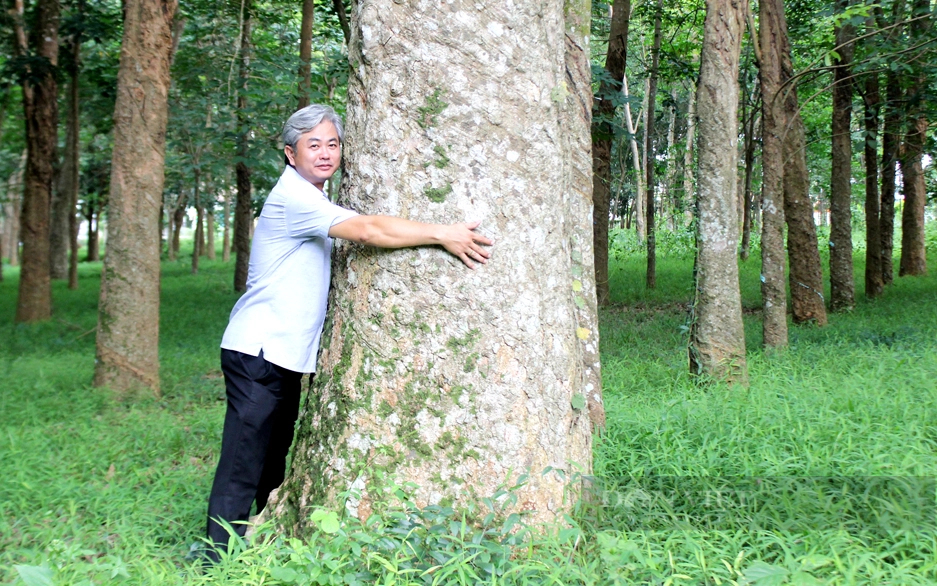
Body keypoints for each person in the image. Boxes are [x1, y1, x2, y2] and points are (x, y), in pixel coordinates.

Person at [203, 104, 492, 561]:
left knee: (272, 458)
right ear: (289, 153)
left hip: (283, 354)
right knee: (244, 461)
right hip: (257, 351)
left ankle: (257, 538)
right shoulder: (293, 197)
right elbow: (370, 229)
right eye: (312, 144)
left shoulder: (313, 199)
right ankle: (213, 559)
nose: (325, 153)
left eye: (332, 143)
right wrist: (441, 233)